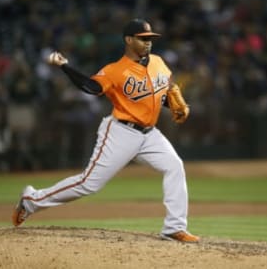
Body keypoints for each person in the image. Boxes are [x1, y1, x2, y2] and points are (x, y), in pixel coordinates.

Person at [12, 18, 200, 243]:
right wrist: (65, 66)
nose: (148, 42)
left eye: (150, 38)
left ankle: (174, 228)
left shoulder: (159, 62)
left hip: (150, 134)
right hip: (121, 132)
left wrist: (175, 106)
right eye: (143, 39)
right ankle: (31, 200)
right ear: (128, 40)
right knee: (89, 184)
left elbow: (160, 96)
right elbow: (90, 87)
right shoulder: (114, 71)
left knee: (175, 166)